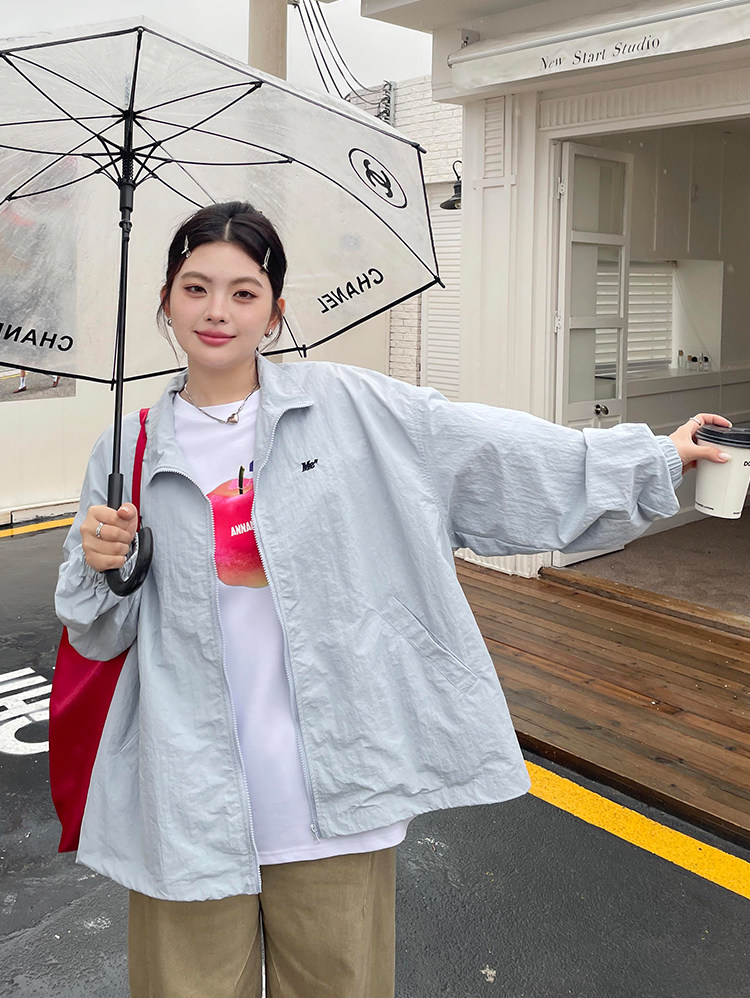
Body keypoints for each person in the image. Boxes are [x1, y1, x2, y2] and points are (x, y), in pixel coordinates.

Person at [55, 202, 730, 998]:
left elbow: (493, 450)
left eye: (243, 292)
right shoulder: (128, 447)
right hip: (185, 795)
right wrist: (100, 566)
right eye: (196, 288)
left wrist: (654, 459)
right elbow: (98, 634)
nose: (216, 311)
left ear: (276, 310)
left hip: (332, 790)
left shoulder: (352, 408)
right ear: (165, 301)